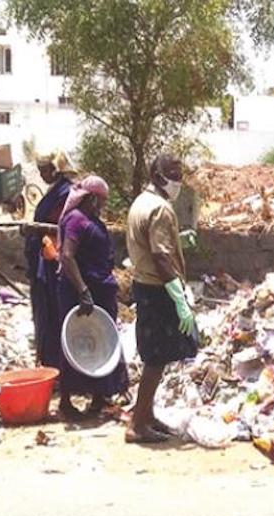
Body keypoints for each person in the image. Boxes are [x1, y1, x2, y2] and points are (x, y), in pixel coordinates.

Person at [125, 154, 198, 443]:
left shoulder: (141, 202)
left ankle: (146, 416)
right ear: (157, 175)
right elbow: (161, 256)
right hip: (157, 290)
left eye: (180, 174)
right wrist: (179, 299)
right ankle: (137, 425)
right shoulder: (160, 209)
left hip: (144, 285)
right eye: (172, 174)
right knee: (156, 359)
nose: (178, 180)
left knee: (154, 357)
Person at [57, 176, 129, 418]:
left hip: (99, 288)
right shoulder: (77, 220)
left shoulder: (90, 220)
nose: (104, 205)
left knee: (103, 341)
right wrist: (83, 290)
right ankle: (66, 402)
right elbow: (67, 256)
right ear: (93, 198)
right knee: (74, 344)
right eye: (102, 200)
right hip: (84, 291)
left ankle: (99, 397)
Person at [25, 151, 74, 369]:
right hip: (43, 259)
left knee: (54, 314)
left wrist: (40, 231)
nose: (43, 175)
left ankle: (58, 366)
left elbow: (63, 226)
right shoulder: (54, 191)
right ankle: (50, 363)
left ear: (57, 169)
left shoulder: (66, 193)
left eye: (46, 170)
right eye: (41, 171)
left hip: (54, 261)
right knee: (46, 313)